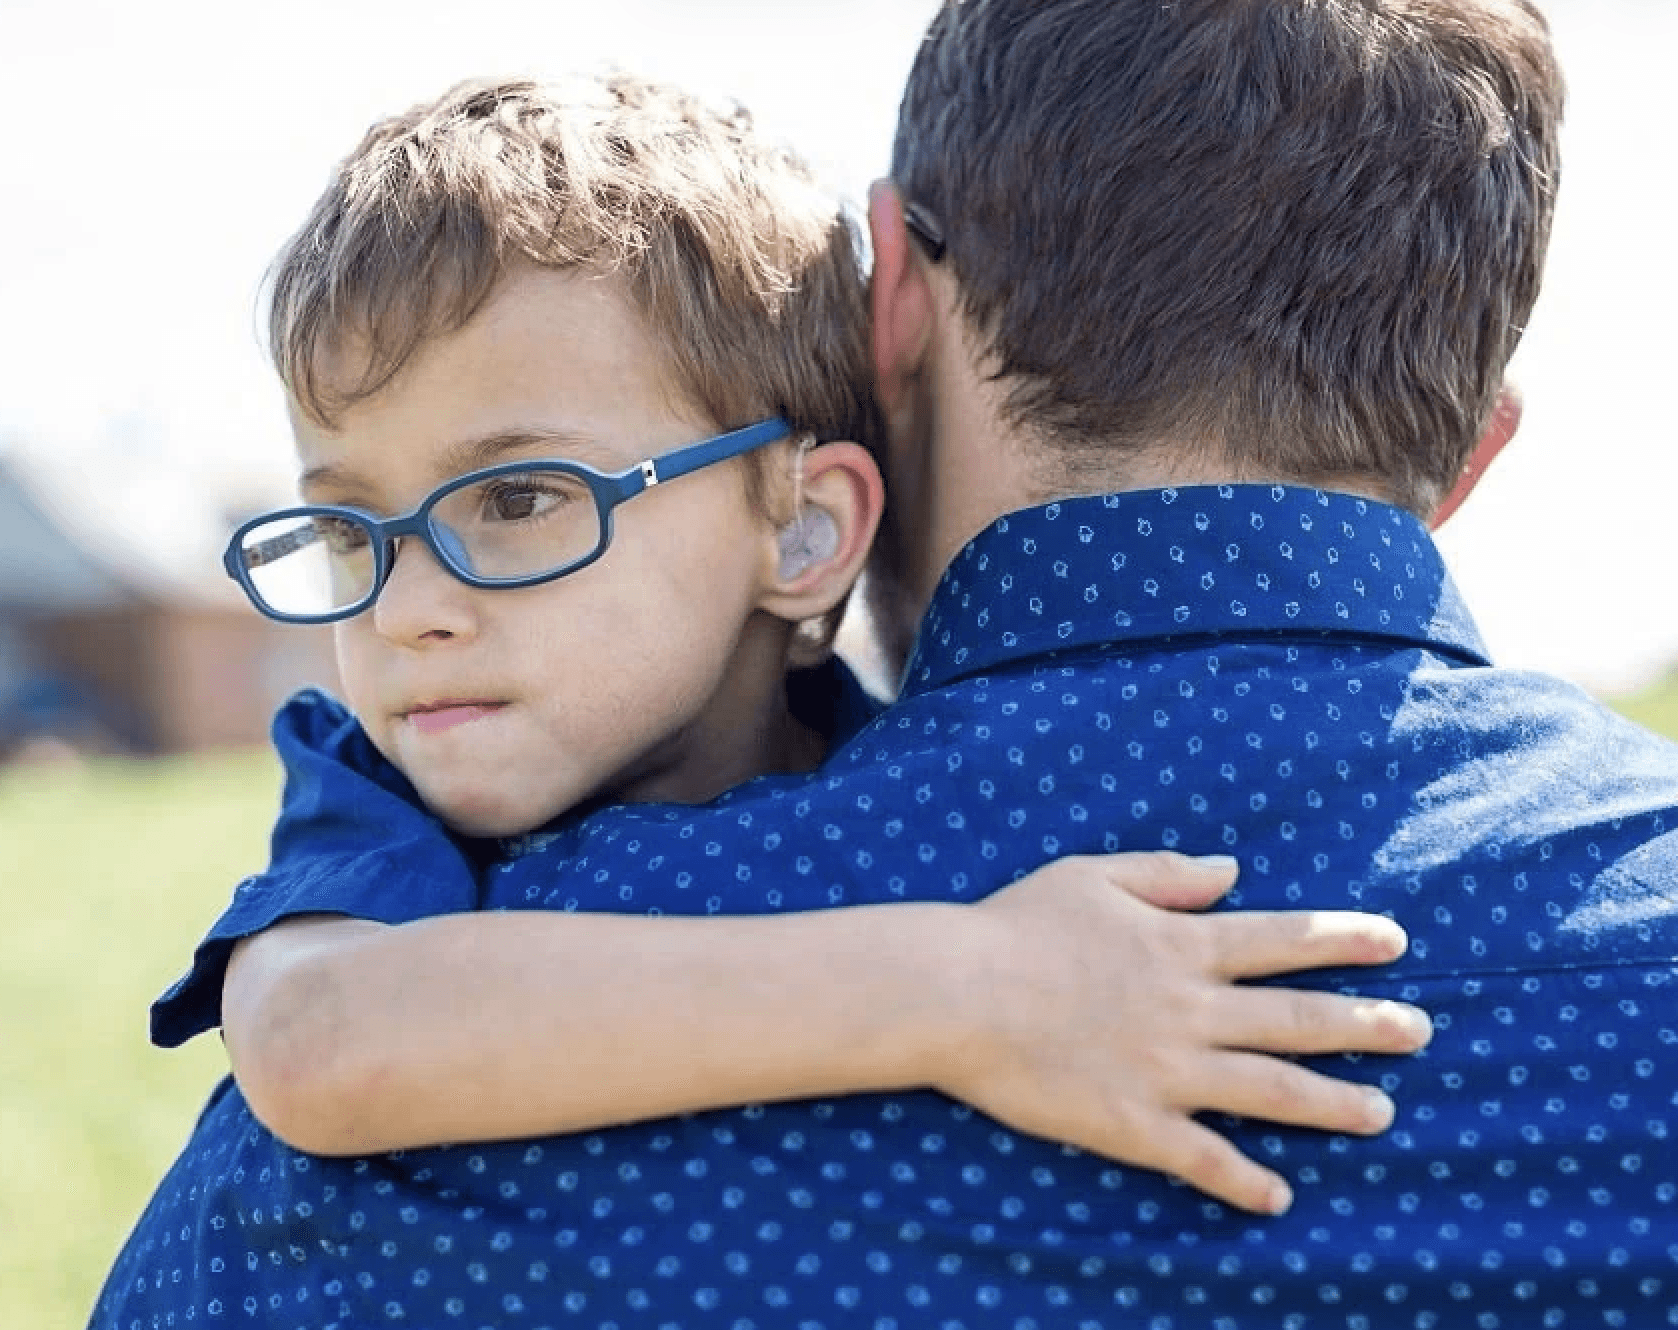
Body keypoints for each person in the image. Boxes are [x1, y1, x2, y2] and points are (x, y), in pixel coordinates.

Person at [185, 0, 1678, 1322]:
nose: (404, 610)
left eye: (517, 502)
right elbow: (318, 1031)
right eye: (346, 527)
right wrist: (967, 983)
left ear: (888, 296)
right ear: (1468, 455)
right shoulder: (409, 876)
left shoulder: (357, 1175)